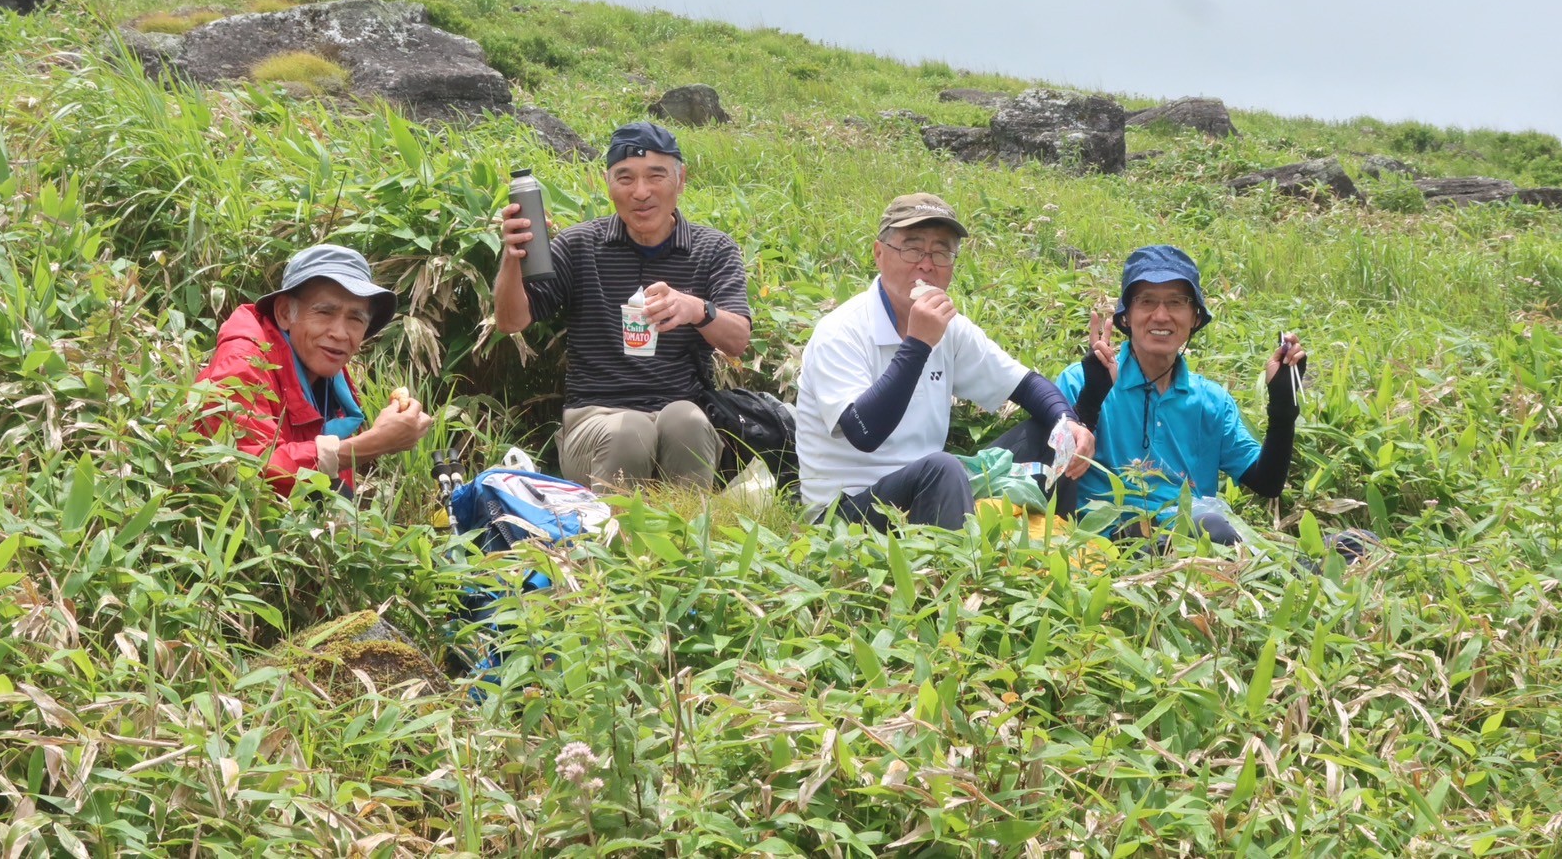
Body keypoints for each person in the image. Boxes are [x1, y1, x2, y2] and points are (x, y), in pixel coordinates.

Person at [795, 193, 1095, 528]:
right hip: (845, 511)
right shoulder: (841, 330)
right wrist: (918, 344)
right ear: (879, 254)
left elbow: (1025, 384)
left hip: (930, 488)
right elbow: (863, 433)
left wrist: (1068, 422)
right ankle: (957, 574)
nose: (926, 264)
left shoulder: (950, 328)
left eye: (941, 252)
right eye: (912, 248)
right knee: (941, 468)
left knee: (1052, 435)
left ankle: (1056, 544)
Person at [494, 121, 752, 490]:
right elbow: (510, 321)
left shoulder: (713, 249)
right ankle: (608, 539)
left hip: (680, 411)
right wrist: (513, 256)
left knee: (687, 421)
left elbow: (738, 340)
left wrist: (697, 309)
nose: (641, 192)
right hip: (596, 417)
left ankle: (689, 538)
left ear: (680, 180)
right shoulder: (579, 245)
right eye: (625, 178)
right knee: (630, 429)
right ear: (608, 182)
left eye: (656, 176)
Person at [1050, 244, 1303, 544]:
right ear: (1126, 316)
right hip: (1110, 545)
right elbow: (1051, 476)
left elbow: (1267, 482)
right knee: (1213, 529)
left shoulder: (1212, 402)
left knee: (1355, 542)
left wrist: (1284, 407)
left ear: (1195, 317)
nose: (1161, 316)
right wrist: (1090, 401)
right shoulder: (1081, 379)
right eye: (1146, 301)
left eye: (1176, 302)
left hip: (1199, 541)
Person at [194, 245, 434, 497]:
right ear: (285, 313)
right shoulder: (242, 364)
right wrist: (372, 444)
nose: (340, 333)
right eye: (324, 312)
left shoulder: (333, 379)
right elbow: (245, 470)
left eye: (356, 318)